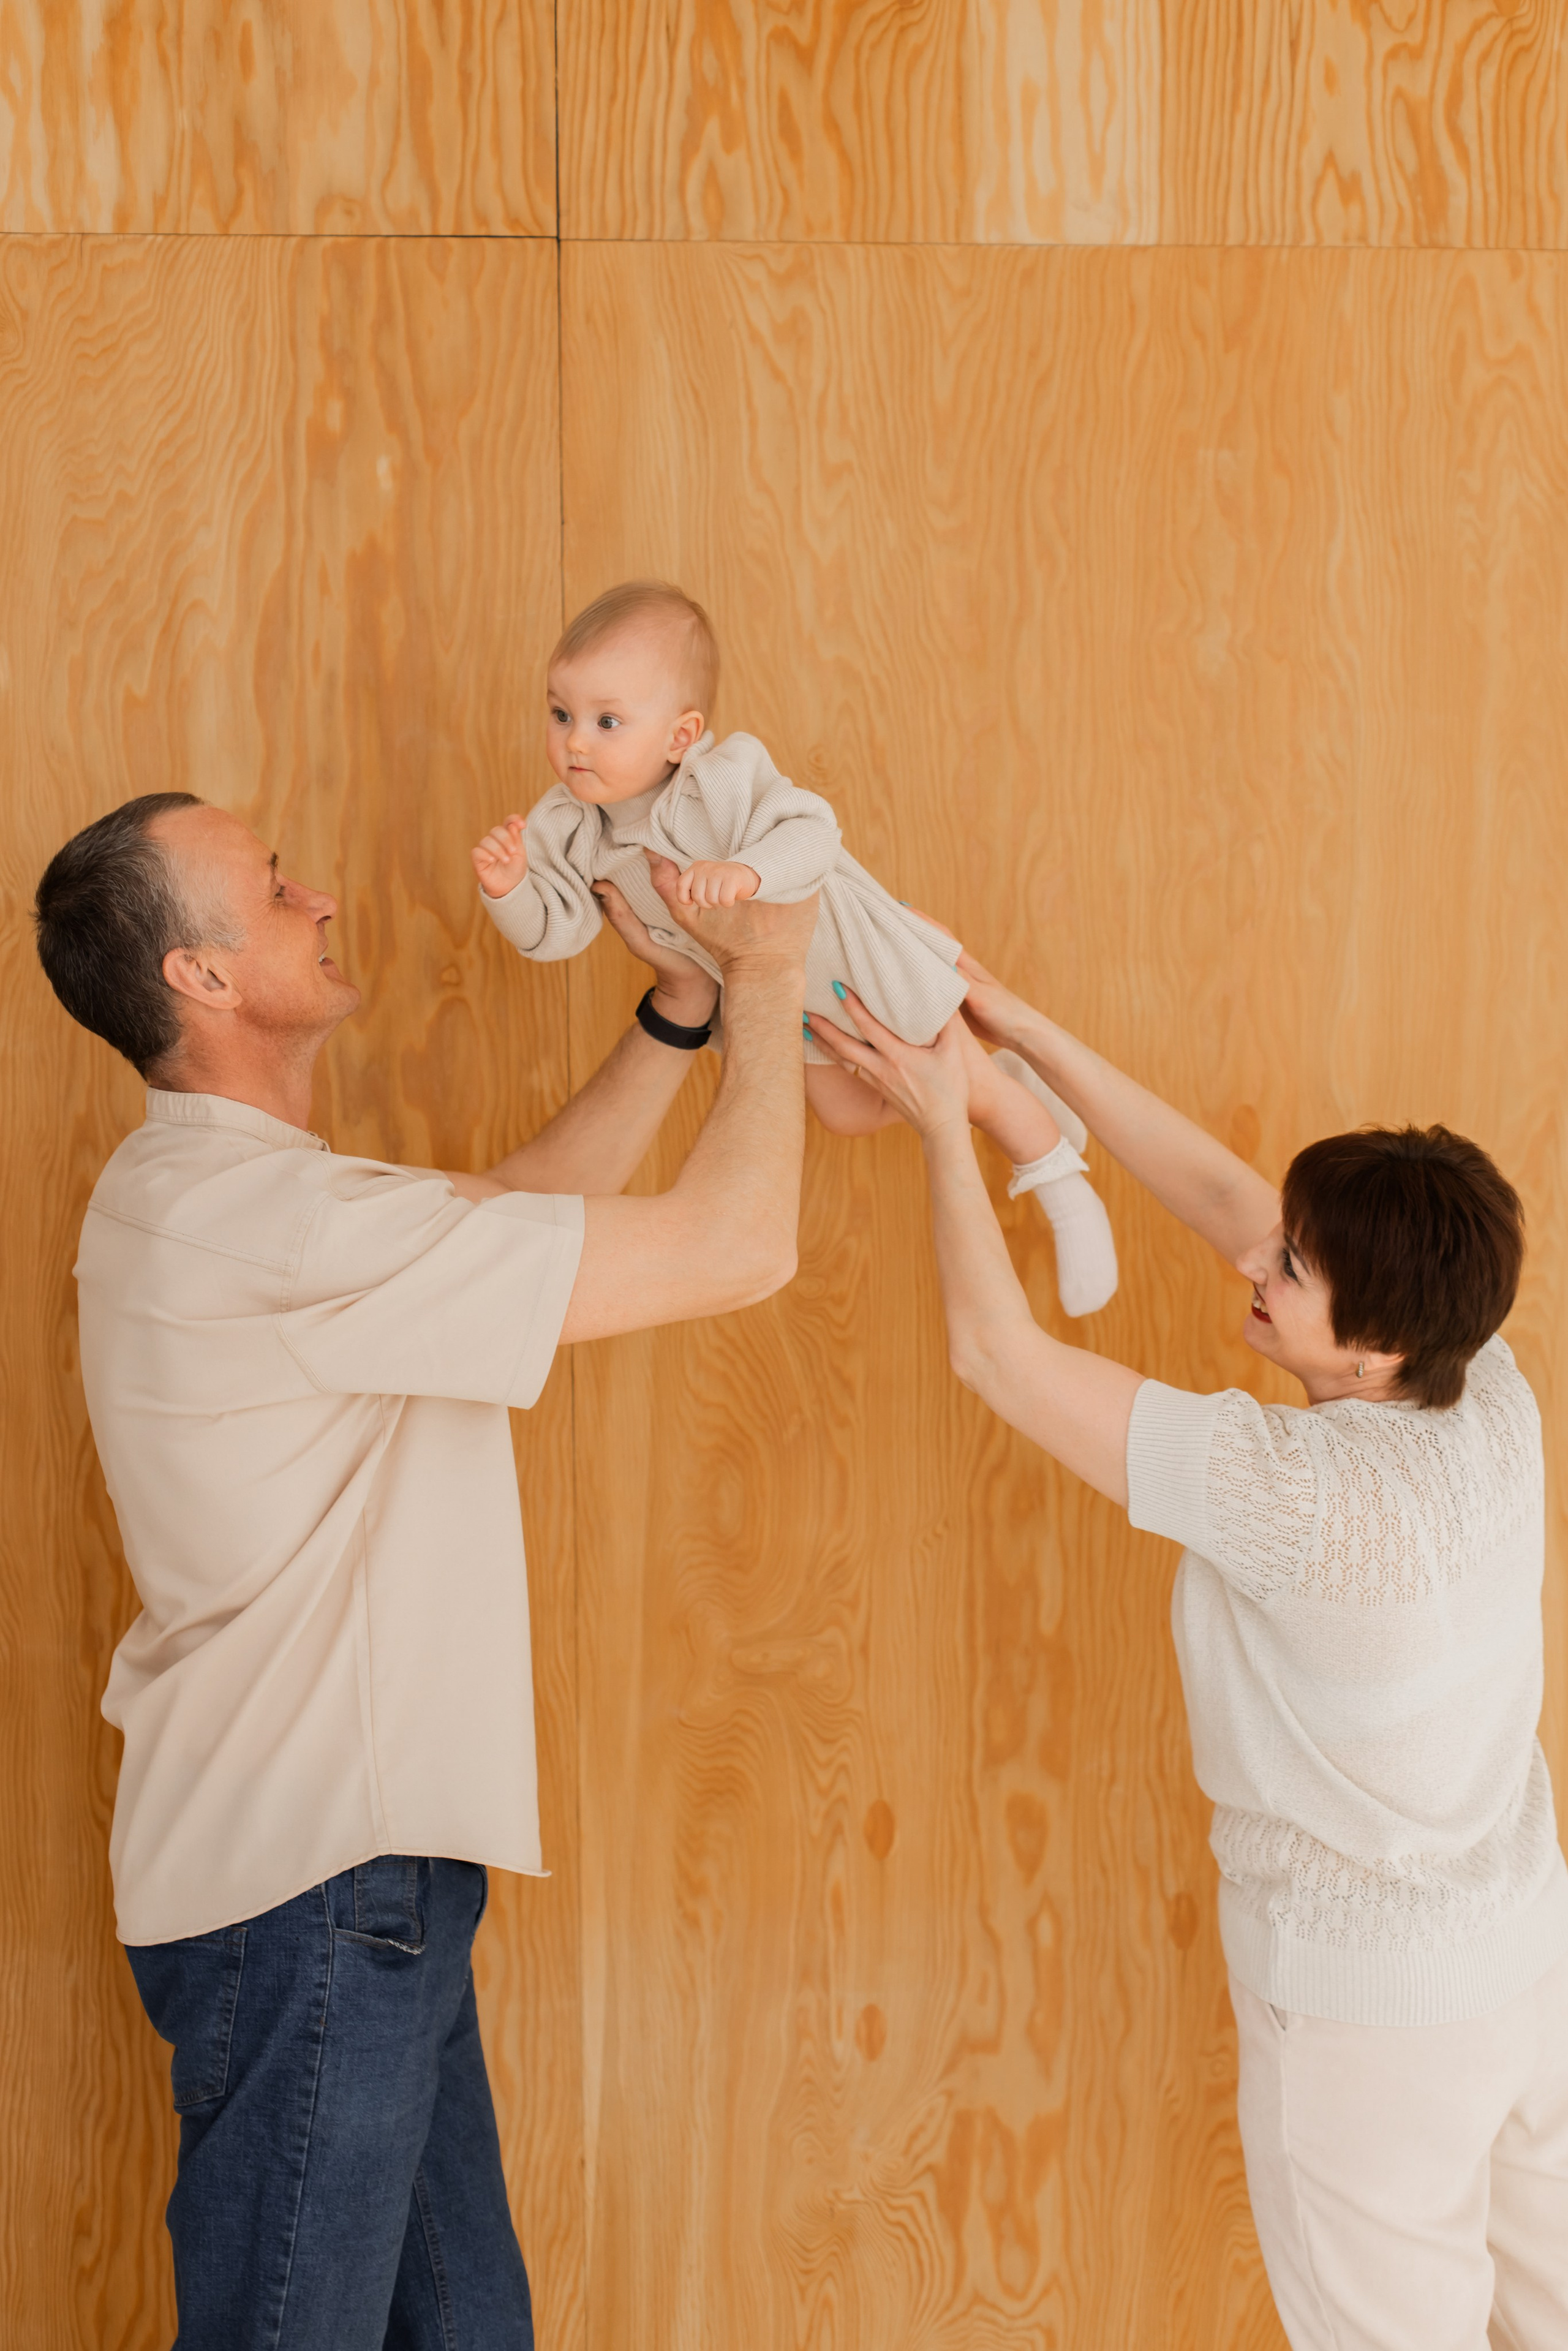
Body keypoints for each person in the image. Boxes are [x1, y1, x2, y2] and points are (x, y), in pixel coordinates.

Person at [32, 788, 815, 2351]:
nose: (315, 893)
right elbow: (740, 1246)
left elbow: (517, 1213)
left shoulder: (207, 1198)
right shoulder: (274, 1222)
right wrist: (774, 975)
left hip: (345, 1882)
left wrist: (677, 1010)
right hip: (315, 1889)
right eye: (268, 886)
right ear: (199, 976)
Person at [808, 963, 1568, 2351]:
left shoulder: (1291, 1487)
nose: (1254, 1266)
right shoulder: (1483, 1385)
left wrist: (938, 1123)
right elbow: (1234, 1205)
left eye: (1294, 1270)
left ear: (1378, 1338)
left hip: (1368, 2029)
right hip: (1519, 1965)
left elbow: (996, 1355)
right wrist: (1031, 1042)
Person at [470, 578, 1118, 1315]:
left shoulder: (724, 776)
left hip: (851, 960)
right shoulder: (569, 824)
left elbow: (814, 834)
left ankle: (1061, 1186)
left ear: (680, 735)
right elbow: (558, 933)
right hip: (784, 1009)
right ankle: (990, 1080)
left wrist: (746, 871)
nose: (574, 741)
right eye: (560, 714)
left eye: (606, 720)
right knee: (846, 1111)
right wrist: (510, 891)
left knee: (972, 1089)